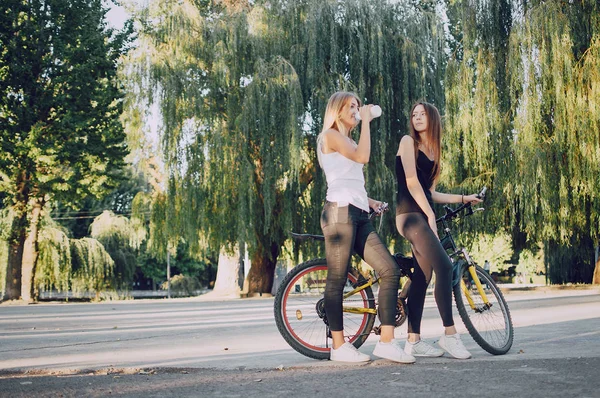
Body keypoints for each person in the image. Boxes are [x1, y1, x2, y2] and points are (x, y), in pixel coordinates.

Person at [318, 91, 415, 364]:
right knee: (337, 278)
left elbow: (347, 178)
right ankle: (338, 346)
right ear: (337, 110)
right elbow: (362, 157)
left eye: (358, 106)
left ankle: (386, 342)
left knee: (389, 269)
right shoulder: (330, 135)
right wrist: (368, 123)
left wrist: (369, 201)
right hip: (339, 213)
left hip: (358, 212)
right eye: (351, 106)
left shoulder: (346, 139)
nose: (356, 110)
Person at [395, 101, 482, 360]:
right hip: (410, 217)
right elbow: (411, 182)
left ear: (432, 119)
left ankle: (413, 341)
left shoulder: (434, 152)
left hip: (421, 215)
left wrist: (463, 198)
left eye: (423, 114)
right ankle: (450, 335)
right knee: (445, 267)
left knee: (423, 276)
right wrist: (430, 214)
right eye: (414, 114)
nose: (417, 117)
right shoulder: (407, 142)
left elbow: (431, 193)